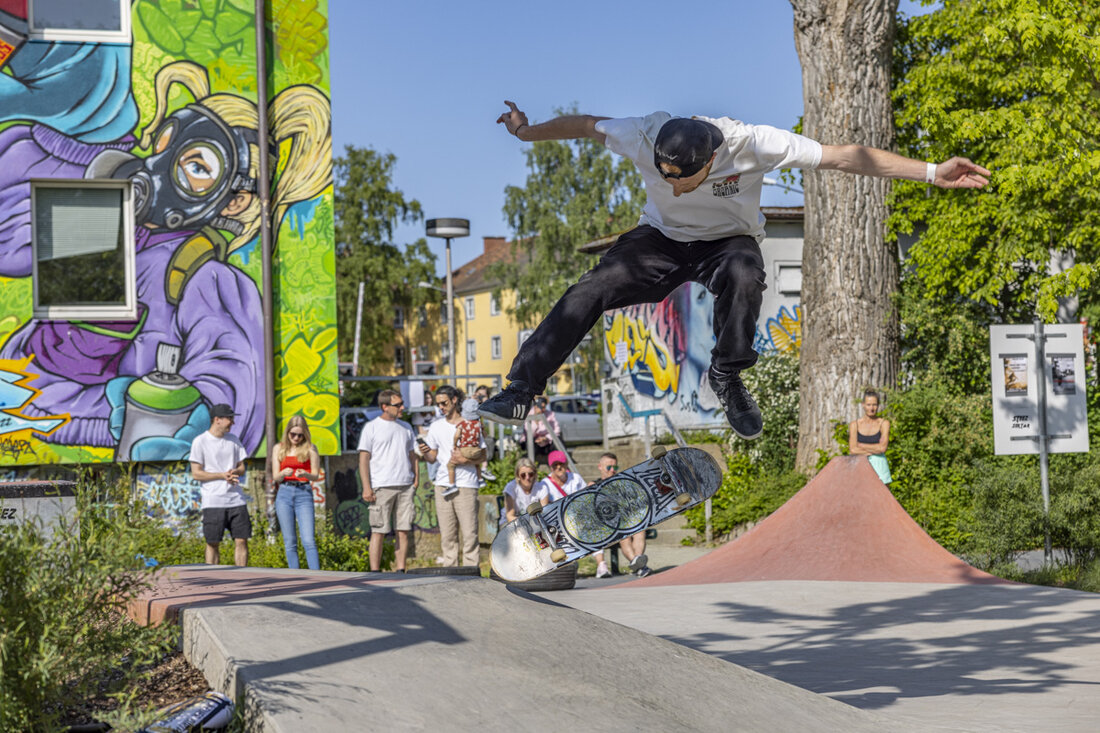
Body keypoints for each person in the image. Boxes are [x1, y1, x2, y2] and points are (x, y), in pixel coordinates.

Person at [480, 101, 990, 439]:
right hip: (659, 239)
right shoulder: (639, 133)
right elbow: (583, 124)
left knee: (746, 273)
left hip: (727, 242)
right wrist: (524, 132)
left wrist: (931, 172)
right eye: (665, 177)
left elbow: (844, 156)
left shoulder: (755, 143)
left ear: (712, 159)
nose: (674, 188)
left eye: (685, 181)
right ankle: (522, 388)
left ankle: (727, 374)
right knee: (589, 289)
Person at [420, 385, 486, 567]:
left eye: (444, 403)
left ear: (455, 400)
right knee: (447, 535)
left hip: (466, 484)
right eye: (438, 404)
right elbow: (432, 458)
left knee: (470, 534)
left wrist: (464, 459)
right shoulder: (436, 426)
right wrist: (425, 452)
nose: (441, 407)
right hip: (442, 484)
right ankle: (450, 571)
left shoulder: (471, 423)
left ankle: (471, 571)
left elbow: (483, 455)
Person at [358, 389, 420, 572]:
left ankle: (401, 570)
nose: (402, 408)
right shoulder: (371, 427)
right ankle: (375, 572)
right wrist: (366, 487)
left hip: (405, 485)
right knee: (378, 531)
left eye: (402, 404)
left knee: (403, 530)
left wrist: (416, 479)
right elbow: (364, 458)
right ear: (384, 406)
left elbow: (413, 455)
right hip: (382, 486)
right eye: (398, 405)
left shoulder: (406, 427)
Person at [189, 403, 250, 566]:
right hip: (213, 501)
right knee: (213, 543)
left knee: (242, 540)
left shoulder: (234, 440)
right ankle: (213, 576)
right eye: (229, 418)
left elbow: (242, 467)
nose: (232, 422)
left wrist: (235, 472)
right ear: (217, 419)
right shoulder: (200, 441)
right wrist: (222, 475)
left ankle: (242, 575)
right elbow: (196, 473)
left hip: (237, 499)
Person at [590, 452, 651, 578]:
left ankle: (638, 563)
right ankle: (640, 567)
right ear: (600, 467)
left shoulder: (622, 483)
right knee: (624, 536)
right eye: (609, 467)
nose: (612, 470)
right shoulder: (593, 485)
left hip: (624, 520)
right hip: (606, 525)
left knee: (640, 530)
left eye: (615, 467)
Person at [272, 415, 321, 570]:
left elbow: (315, 475)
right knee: (290, 542)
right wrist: (283, 473)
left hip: (303, 492)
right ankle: (296, 575)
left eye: (300, 435)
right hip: (284, 493)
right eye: (293, 434)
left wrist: (305, 474)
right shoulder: (278, 448)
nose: (296, 438)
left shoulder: (310, 448)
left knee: (308, 540)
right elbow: (275, 477)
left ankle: (317, 575)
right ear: (287, 432)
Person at [849, 389, 892, 485]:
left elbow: (882, 448)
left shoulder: (884, 423)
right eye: (868, 405)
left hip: (880, 468)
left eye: (874, 405)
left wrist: (861, 445)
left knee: (882, 494)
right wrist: (874, 450)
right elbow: (853, 449)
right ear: (863, 405)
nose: (871, 408)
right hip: (860, 467)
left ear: (878, 405)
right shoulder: (854, 425)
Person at [449, 397, 487, 490]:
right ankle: (480, 480)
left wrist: (455, 445)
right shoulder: (479, 424)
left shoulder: (463, 424)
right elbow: (485, 435)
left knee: (450, 465)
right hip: (476, 450)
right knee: (477, 464)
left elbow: (456, 435)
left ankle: (452, 485)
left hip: (465, 449)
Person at [502, 457, 549, 523]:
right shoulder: (511, 488)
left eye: (531, 474)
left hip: (535, 523)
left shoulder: (542, 488)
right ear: (517, 476)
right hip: (511, 524)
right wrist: (526, 524)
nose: (527, 478)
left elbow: (544, 513)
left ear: (535, 475)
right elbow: (510, 517)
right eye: (523, 475)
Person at [523, 397, 561, 466]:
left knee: (558, 440)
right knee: (530, 443)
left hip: (547, 441)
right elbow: (529, 433)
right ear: (535, 406)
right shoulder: (528, 415)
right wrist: (536, 419)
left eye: (544, 407)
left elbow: (557, 430)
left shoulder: (550, 414)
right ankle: (530, 465)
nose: (543, 409)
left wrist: (546, 438)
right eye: (541, 407)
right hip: (534, 441)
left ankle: (558, 463)